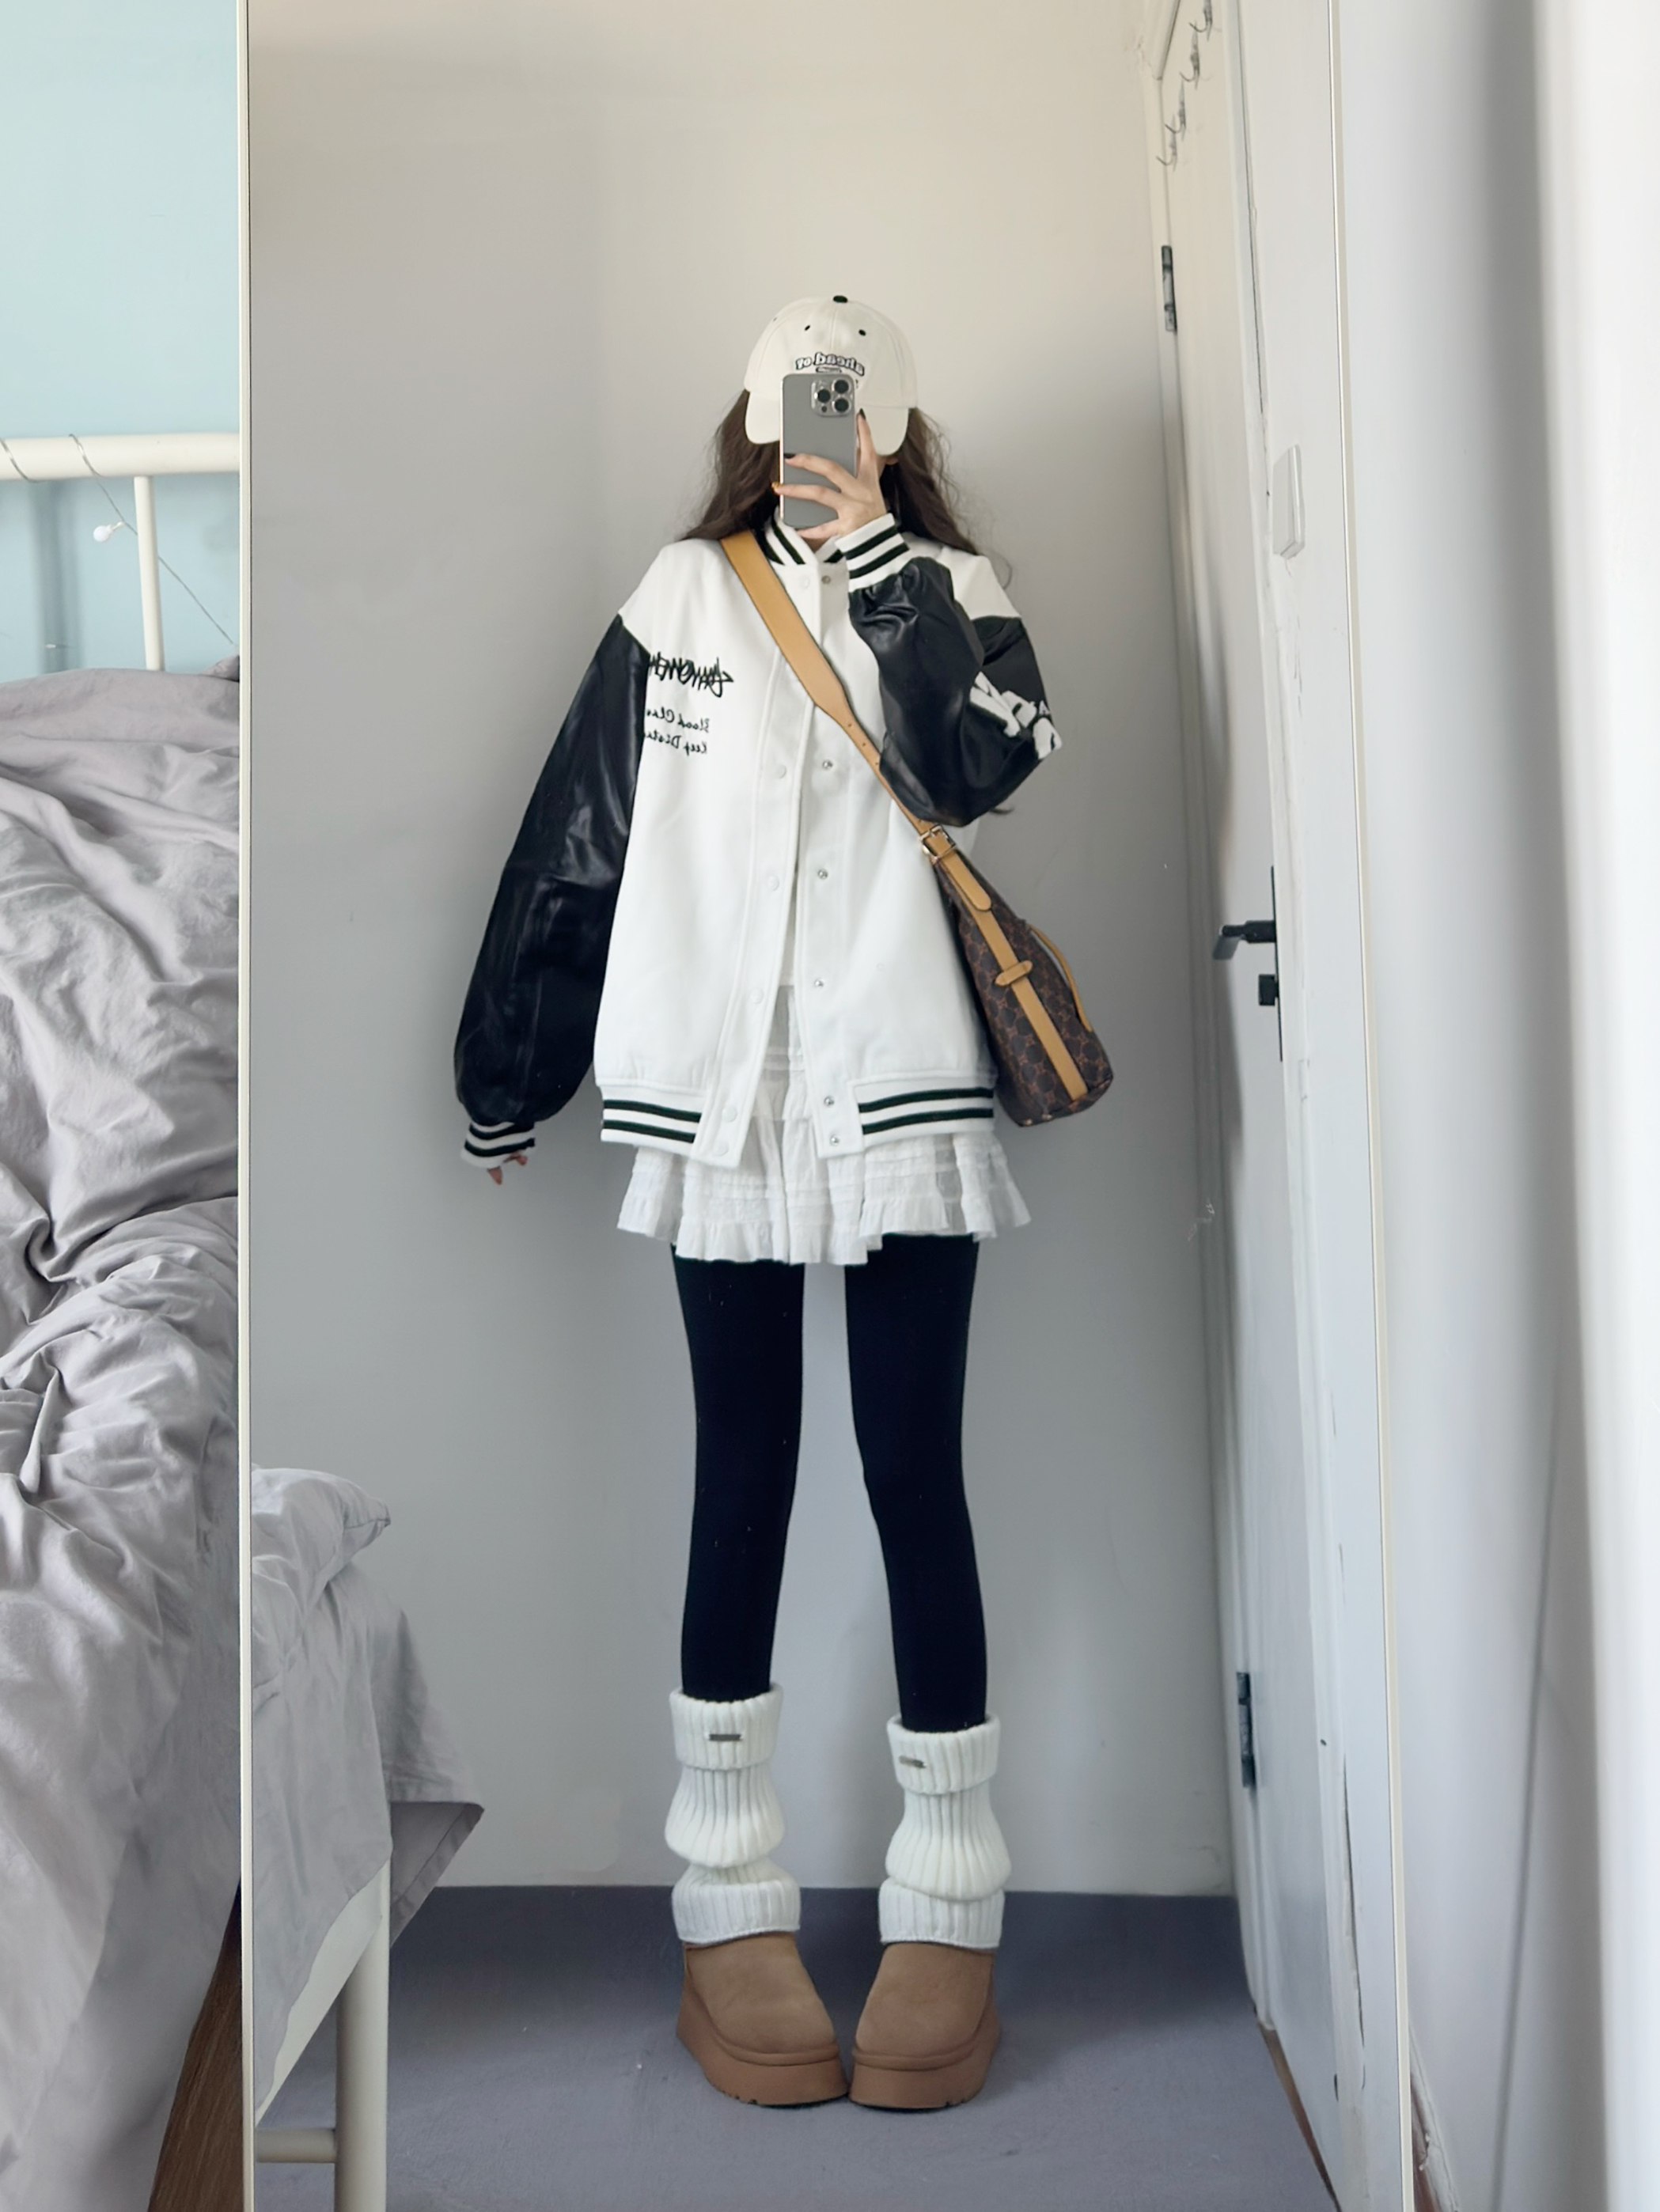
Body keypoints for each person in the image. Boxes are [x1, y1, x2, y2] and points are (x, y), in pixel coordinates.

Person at [454, 296, 1060, 2109]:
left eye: (850, 409)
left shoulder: (955, 592)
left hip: (903, 1094)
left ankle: (949, 1897)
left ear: (893, 426)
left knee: (913, 1473)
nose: (822, 434)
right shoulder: (676, 598)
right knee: (743, 1474)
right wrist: (509, 1071)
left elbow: (981, 770)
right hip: (717, 1108)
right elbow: (580, 836)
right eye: (799, 406)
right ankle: (726, 1897)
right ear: (751, 417)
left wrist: (881, 571)